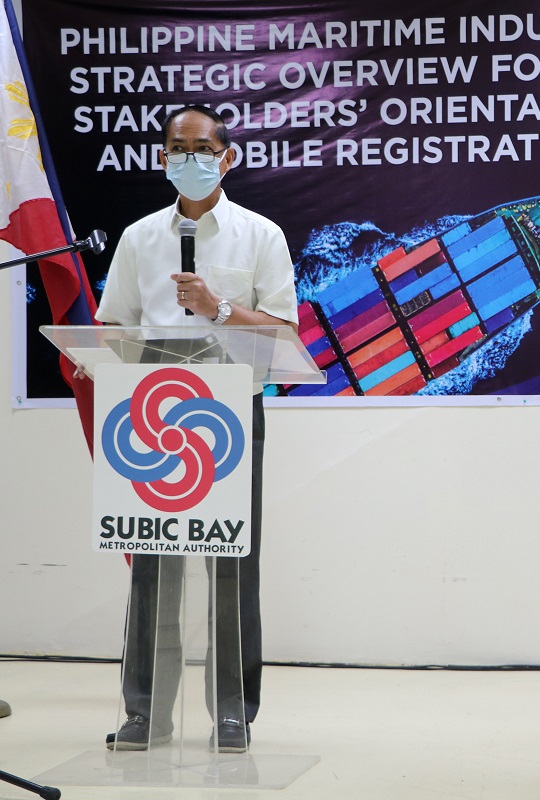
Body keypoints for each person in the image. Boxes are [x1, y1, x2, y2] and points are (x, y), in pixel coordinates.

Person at [94, 104, 298, 753]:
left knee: (233, 562)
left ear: (225, 156)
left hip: (231, 405)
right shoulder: (138, 238)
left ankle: (234, 711)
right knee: (151, 563)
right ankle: (142, 710)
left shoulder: (260, 234)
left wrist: (219, 308)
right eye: (177, 147)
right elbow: (112, 323)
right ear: (162, 157)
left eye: (202, 147)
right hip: (153, 409)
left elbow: (285, 334)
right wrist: (98, 356)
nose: (190, 157)